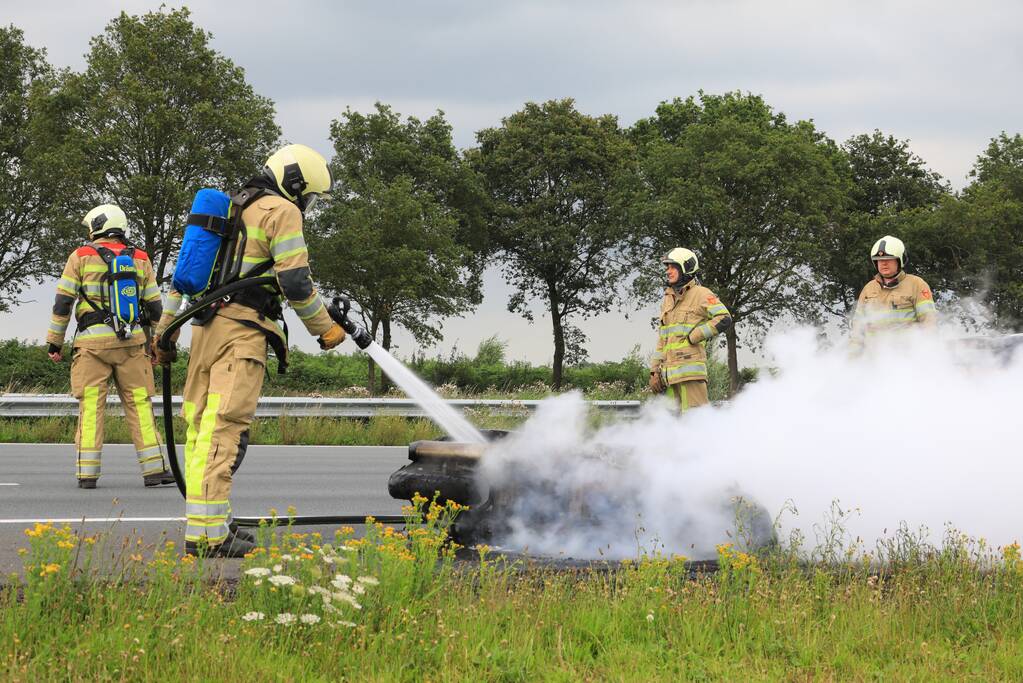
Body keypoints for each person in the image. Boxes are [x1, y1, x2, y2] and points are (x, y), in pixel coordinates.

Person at [154, 144, 347, 557]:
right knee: (223, 429)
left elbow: (181, 280)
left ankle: (213, 525)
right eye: (309, 195)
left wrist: (163, 334)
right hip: (242, 332)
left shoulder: (230, 209)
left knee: (200, 429)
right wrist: (325, 329)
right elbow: (295, 281)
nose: (307, 204)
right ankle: (208, 539)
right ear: (295, 183)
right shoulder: (282, 210)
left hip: (204, 331)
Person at [46, 204, 174, 489]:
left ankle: (87, 474)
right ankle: (154, 470)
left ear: (97, 226)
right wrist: (155, 344)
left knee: (91, 407)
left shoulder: (80, 256)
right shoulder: (140, 258)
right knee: (140, 404)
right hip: (132, 344)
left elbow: (63, 303)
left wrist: (55, 341)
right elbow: (155, 308)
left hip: (92, 346)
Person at [649, 248, 732, 412]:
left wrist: (694, 336)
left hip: (691, 376)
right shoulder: (668, 298)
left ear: (685, 268)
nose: (668, 271)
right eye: (667, 267)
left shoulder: (701, 293)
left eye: (672, 267)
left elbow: (724, 318)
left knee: (696, 425)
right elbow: (663, 339)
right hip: (670, 377)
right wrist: (654, 371)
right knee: (672, 428)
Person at [850, 235, 936, 353]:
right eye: (879, 260)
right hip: (873, 361)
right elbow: (857, 328)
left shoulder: (917, 284)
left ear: (899, 260)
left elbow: (928, 322)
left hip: (907, 359)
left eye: (888, 259)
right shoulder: (868, 289)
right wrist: (853, 359)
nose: (883, 263)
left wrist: (925, 355)